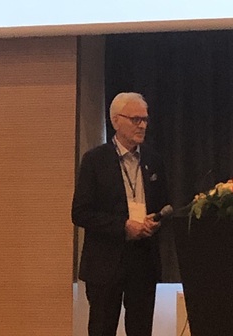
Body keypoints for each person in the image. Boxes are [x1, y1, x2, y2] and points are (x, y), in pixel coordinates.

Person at [72, 92, 169, 336]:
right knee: (102, 329)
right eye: (136, 119)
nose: (142, 125)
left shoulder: (154, 160)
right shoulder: (95, 160)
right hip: (105, 263)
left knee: (141, 330)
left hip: (143, 261)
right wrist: (123, 226)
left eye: (145, 119)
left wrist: (155, 221)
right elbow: (80, 213)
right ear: (116, 121)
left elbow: (164, 204)